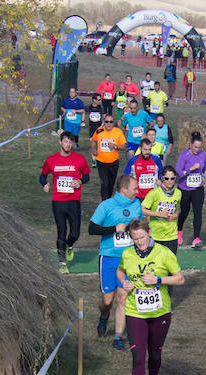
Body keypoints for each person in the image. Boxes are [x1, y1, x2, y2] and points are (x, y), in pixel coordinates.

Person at [117, 218, 185, 375]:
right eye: (135, 239)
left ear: (150, 232)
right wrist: (124, 282)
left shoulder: (164, 253)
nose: (139, 242)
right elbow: (121, 270)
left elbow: (180, 278)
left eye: (142, 237)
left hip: (159, 312)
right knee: (138, 358)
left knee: (154, 354)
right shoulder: (127, 253)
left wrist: (158, 279)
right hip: (135, 312)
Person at [88, 175, 143, 351]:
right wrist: (114, 229)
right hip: (109, 258)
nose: (137, 191)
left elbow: (141, 226)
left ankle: (118, 337)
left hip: (128, 259)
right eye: (134, 188)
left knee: (123, 297)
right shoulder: (106, 206)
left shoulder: (136, 205)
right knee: (107, 300)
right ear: (124, 189)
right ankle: (104, 317)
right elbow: (92, 228)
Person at [39, 131, 91, 273]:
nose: (68, 144)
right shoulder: (51, 160)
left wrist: (79, 181)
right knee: (61, 231)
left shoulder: (79, 159)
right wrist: (45, 184)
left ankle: (69, 245)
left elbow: (87, 176)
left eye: (70, 142)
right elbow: (42, 176)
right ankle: (62, 263)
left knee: (75, 233)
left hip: (73, 201)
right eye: (66, 141)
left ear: (73, 144)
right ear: (60, 142)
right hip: (58, 201)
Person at [175, 131, 206, 249]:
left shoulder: (203, 155)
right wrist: (190, 168)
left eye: (199, 147)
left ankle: (196, 238)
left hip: (198, 188)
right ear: (190, 145)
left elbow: (205, 167)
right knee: (184, 212)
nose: (197, 149)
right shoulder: (183, 156)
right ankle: (179, 232)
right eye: (195, 147)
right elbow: (178, 174)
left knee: (198, 212)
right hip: (184, 188)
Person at [141, 165, 181, 254]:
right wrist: (159, 214)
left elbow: (177, 209)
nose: (170, 181)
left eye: (172, 178)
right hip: (156, 235)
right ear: (162, 178)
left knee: (170, 265)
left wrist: (175, 215)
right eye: (167, 178)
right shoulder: (154, 193)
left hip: (171, 235)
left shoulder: (178, 193)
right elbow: (142, 209)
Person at [91, 114, 127, 202]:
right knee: (104, 183)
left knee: (111, 184)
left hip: (113, 162)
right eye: (106, 122)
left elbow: (124, 147)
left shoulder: (118, 132)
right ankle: (104, 202)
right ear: (104, 122)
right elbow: (94, 140)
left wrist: (115, 146)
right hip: (101, 162)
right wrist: (93, 149)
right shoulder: (99, 131)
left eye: (111, 122)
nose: (109, 124)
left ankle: (107, 199)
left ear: (113, 123)